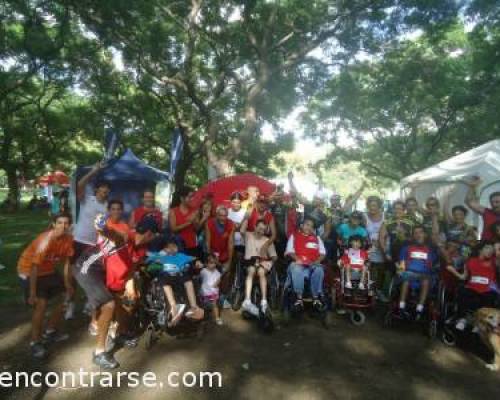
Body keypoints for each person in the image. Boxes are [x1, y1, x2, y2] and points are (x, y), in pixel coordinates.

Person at [17, 213, 74, 359]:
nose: (63, 226)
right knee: (40, 304)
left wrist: (67, 284)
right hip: (28, 271)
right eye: (60, 223)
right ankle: (35, 342)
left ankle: (50, 332)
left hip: (48, 271)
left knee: (64, 298)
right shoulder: (45, 240)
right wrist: (32, 293)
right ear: (54, 224)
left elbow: (67, 263)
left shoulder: (68, 239)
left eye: (66, 223)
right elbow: (34, 268)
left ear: (70, 225)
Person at [71, 162, 109, 318]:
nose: (105, 193)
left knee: (90, 274)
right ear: (96, 190)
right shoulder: (87, 199)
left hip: (94, 245)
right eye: (102, 191)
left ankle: (90, 302)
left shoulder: (107, 207)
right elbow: (79, 184)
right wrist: (94, 170)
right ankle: (71, 304)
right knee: (72, 274)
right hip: (78, 241)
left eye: (107, 192)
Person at [147, 238, 205, 325]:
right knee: (165, 284)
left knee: (188, 281)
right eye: (169, 247)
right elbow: (149, 264)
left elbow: (192, 260)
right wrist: (158, 260)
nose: (172, 249)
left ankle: (194, 307)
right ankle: (174, 308)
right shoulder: (160, 257)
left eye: (174, 246)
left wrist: (197, 262)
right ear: (164, 249)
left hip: (179, 275)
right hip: (166, 276)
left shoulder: (181, 255)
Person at [447, 241, 498, 330]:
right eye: (487, 248)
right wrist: (453, 271)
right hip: (472, 287)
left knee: (490, 295)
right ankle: (462, 319)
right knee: (462, 291)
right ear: (480, 250)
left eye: (491, 249)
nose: (490, 251)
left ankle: (480, 322)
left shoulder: (494, 262)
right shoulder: (470, 261)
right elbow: (463, 277)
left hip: (487, 289)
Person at [285, 217, 327, 311]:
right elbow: (290, 251)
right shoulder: (294, 236)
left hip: (312, 265)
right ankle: (299, 298)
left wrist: (318, 261)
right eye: (307, 225)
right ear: (302, 225)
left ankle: (316, 298)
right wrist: (297, 259)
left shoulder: (317, 238)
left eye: (312, 226)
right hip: (298, 264)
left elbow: (323, 253)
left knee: (319, 270)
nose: (309, 228)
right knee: (296, 269)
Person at [397, 225, 438, 319]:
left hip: (424, 275)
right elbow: (402, 263)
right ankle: (401, 307)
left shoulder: (430, 250)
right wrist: (400, 271)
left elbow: (432, 265)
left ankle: (419, 309)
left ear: (425, 234)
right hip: (409, 273)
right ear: (413, 236)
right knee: (406, 278)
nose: (418, 235)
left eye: (420, 232)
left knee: (426, 281)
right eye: (416, 233)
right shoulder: (406, 248)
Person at [241, 219, 278, 316]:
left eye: (263, 230)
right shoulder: (248, 236)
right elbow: (241, 231)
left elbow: (274, 256)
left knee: (261, 272)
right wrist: (247, 216)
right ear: (255, 227)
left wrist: (269, 261)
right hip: (250, 262)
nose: (261, 231)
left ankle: (264, 301)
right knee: (252, 270)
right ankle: (247, 300)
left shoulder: (267, 240)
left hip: (262, 263)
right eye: (259, 228)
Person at [379, 200, 414, 300]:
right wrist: (385, 252)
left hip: (407, 253)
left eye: (400, 209)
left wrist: (404, 237)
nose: (397, 211)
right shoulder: (387, 222)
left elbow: (416, 237)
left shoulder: (410, 222)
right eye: (395, 208)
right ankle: (388, 295)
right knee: (391, 272)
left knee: (404, 272)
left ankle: (403, 294)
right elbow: (381, 237)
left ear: (404, 210)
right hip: (392, 252)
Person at [169, 186, 209, 258]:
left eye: (192, 197)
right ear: (182, 198)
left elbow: (196, 229)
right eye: (189, 197)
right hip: (178, 245)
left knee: (192, 266)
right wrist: (189, 222)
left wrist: (203, 219)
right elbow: (173, 229)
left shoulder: (194, 210)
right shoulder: (173, 211)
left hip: (192, 244)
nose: (191, 199)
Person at [364, 196, 387, 300]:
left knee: (381, 269)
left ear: (379, 206)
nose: (372, 208)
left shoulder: (384, 216)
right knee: (371, 268)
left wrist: (381, 242)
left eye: (374, 205)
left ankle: (380, 290)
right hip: (370, 246)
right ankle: (371, 291)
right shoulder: (365, 216)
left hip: (382, 245)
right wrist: (369, 242)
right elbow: (364, 232)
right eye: (370, 205)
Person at [465, 176, 500, 241]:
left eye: (497, 202)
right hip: (485, 246)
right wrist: (472, 187)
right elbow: (469, 202)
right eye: (492, 202)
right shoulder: (487, 212)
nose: (494, 204)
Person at [205, 205, 235, 273]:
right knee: (211, 273)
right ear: (216, 215)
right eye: (221, 215)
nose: (223, 218)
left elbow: (231, 243)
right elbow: (207, 242)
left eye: (225, 216)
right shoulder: (209, 223)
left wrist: (229, 261)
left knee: (226, 272)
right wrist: (210, 257)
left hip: (225, 254)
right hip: (212, 253)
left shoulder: (231, 224)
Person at [199, 253, 223, 325]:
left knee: (214, 305)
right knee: (203, 306)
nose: (213, 265)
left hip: (213, 293)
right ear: (206, 263)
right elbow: (200, 278)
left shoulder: (217, 272)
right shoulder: (203, 271)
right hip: (204, 292)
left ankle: (217, 318)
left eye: (214, 263)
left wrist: (216, 284)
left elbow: (219, 280)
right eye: (211, 263)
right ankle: (202, 317)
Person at [228, 192, 247, 256]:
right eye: (234, 202)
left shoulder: (245, 212)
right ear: (231, 202)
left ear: (241, 202)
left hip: (242, 242)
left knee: (240, 258)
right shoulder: (227, 211)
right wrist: (238, 225)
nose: (236, 204)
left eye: (238, 202)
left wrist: (233, 225)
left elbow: (245, 227)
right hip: (229, 241)